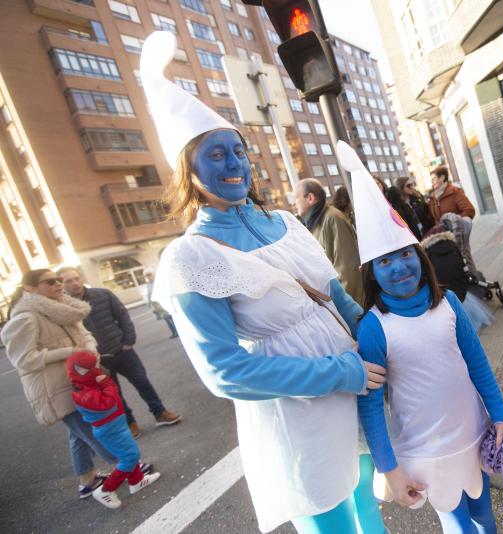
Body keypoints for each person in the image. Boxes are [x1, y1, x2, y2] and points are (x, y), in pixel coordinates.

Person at [140, 31, 386, 534]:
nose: (234, 164)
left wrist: (385, 337)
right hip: (298, 418)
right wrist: (341, 373)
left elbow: (336, 296)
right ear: (188, 170)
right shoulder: (189, 257)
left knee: (369, 510)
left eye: (238, 150)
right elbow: (224, 372)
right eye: (215, 155)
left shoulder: (289, 223)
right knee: (334, 524)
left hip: (354, 392)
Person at [340, 139, 503, 534]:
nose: (399, 266)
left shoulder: (450, 304)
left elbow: (477, 363)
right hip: (427, 452)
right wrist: (389, 468)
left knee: (486, 520)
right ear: (372, 273)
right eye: (384, 261)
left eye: (405, 254)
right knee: (459, 528)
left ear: (420, 257)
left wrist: (501, 415)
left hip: (473, 434)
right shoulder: (374, 327)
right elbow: (370, 406)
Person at [1, 269, 116, 499]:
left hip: (78, 380)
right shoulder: (25, 317)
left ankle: (87, 481)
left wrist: (90, 350)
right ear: (30, 288)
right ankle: (128, 466)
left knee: (78, 435)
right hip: (54, 387)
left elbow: (85, 335)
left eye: (58, 280)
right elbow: (23, 360)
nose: (58, 284)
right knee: (92, 431)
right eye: (50, 281)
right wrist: (70, 352)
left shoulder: (64, 309)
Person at [59, 267, 182, 438]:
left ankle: (160, 412)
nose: (75, 283)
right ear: (62, 285)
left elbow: (123, 316)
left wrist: (128, 342)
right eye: (68, 281)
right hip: (98, 360)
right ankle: (130, 422)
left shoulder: (102, 294)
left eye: (76, 278)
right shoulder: (63, 308)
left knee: (142, 382)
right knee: (114, 393)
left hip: (122, 351)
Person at [66, 351, 161, 509]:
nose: (98, 368)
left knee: (129, 453)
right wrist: (107, 383)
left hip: (115, 425)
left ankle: (136, 480)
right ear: (83, 371)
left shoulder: (87, 385)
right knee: (130, 457)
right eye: (95, 366)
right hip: (110, 430)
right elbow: (107, 402)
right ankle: (106, 490)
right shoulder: (84, 393)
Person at [294, 178, 364, 305]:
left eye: (296, 198)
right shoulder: (315, 222)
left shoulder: (332, 218)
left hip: (350, 305)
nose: (294, 204)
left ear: (310, 197)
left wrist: (347, 309)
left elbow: (347, 270)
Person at [139, 269, 178, 338]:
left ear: (153, 275)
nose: (148, 277)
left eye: (149, 275)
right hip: (156, 305)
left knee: (170, 317)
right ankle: (174, 331)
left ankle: (177, 331)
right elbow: (149, 295)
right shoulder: (148, 285)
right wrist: (150, 305)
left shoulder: (158, 282)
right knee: (166, 318)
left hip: (163, 302)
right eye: (147, 276)